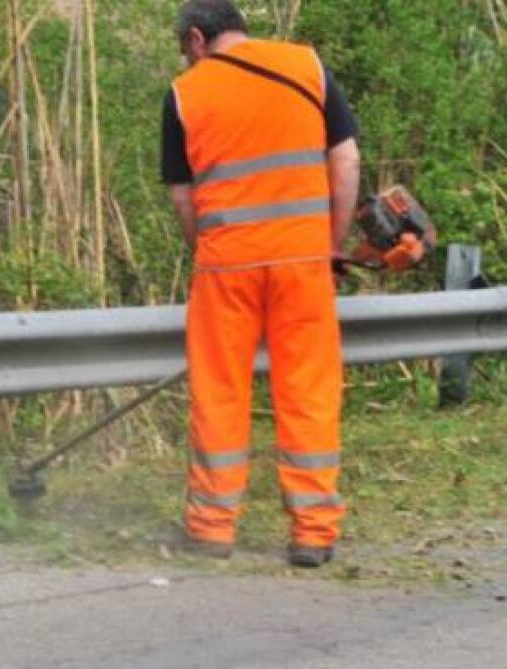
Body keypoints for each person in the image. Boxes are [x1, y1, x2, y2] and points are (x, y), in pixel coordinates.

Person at [161, 0, 361, 568]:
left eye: (185, 50)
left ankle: (211, 527)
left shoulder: (185, 94)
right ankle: (314, 531)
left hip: (227, 267)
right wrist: (330, 243)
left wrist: (215, 245)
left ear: (197, 39)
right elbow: (345, 162)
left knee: (220, 390)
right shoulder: (307, 66)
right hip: (302, 261)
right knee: (308, 390)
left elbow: (183, 198)